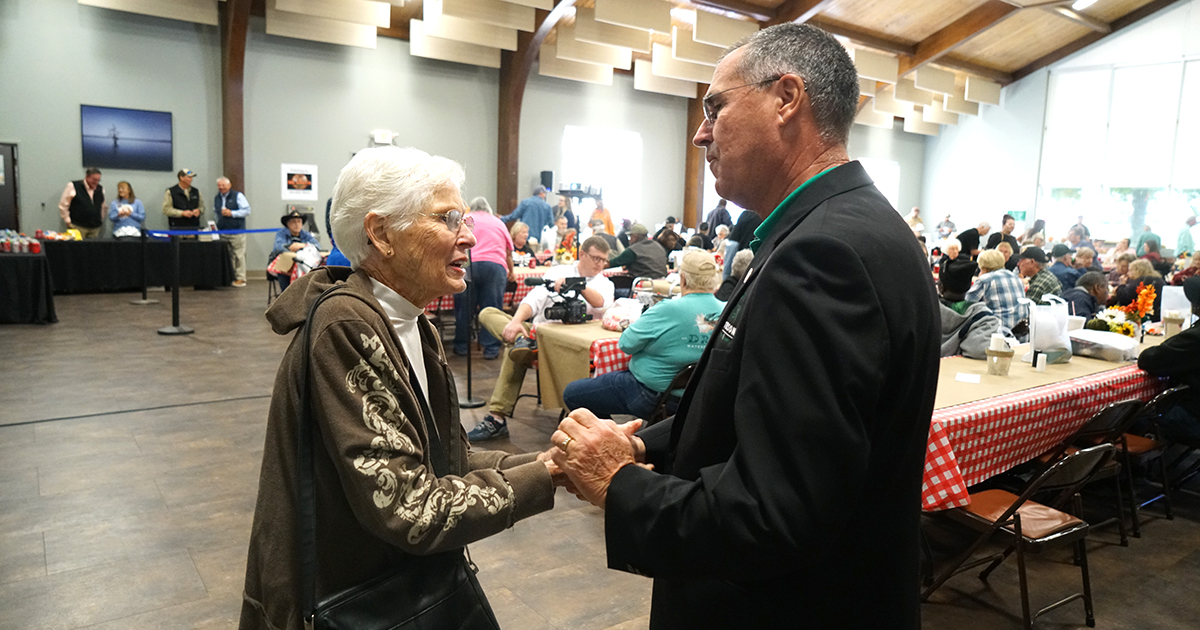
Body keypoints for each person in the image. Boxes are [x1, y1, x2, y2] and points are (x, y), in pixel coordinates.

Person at [548, 24, 940, 629]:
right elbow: (758, 413)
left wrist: (619, 483)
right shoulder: (856, 226)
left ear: (787, 99)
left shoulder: (822, 255)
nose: (701, 132)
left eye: (715, 107)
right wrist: (645, 443)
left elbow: (774, 516)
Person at [239, 146, 558, 630]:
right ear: (381, 234)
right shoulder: (346, 325)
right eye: (449, 219)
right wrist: (548, 476)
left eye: (465, 219)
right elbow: (412, 508)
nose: (470, 236)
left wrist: (549, 462)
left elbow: (443, 457)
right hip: (344, 598)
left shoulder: (411, 321)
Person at [466, 236, 614, 442]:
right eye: (596, 258)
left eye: (604, 260)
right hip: (539, 332)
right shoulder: (557, 272)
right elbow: (533, 300)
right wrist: (516, 321)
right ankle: (522, 339)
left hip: (569, 343)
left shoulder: (604, 283)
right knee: (488, 313)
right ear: (583, 255)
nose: (600, 264)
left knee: (514, 352)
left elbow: (601, 304)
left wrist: (576, 286)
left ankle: (496, 418)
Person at [563, 250, 725, 419]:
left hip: (652, 395)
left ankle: (614, 438)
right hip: (703, 399)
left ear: (682, 278)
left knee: (572, 394)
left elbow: (626, 344)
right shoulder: (728, 310)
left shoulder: (667, 309)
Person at [1136, 277, 1200, 440]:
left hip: (1193, 417)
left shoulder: (1194, 338)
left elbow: (1149, 360)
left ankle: (1134, 464)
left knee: (1129, 417)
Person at [454, 196, 513, 360]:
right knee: (491, 309)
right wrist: (512, 271)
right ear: (488, 209)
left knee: (463, 308)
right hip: (494, 266)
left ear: (471, 208)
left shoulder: (465, 220)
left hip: (468, 264)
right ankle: (491, 349)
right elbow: (508, 251)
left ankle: (461, 346)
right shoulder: (498, 222)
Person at [938, 258, 1006, 359]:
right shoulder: (981, 316)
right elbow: (979, 350)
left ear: (941, 287)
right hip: (960, 371)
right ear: (969, 286)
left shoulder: (925, 309)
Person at [966, 249, 1027, 332]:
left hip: (998, 334)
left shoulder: (985, 280)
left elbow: (967, 305)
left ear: (984, 268)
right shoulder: (1016, 278)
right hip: (1020, 332)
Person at [268, 210, 319, 291]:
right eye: (294, 222)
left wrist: (302, 245)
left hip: (303, 265)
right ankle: (286, 294)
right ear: (288, 224)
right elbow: (278, 247)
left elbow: (317, 246)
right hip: (285, 267)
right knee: (283, 271)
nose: (297, 224)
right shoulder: (281, 233)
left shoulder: (305, 234)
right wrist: (293, 248)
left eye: (299, 222)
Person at [214, 176, 252, 288]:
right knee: (228, 256)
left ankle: (241, 278)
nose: (221, 187)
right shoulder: (217, 198)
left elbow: (247, 210)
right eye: (219, 185)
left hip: (237, 231)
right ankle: (230, 277)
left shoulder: (238, 196)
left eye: (223, 185)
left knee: (239, 255)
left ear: (229, 185)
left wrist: (232, 213)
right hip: (223, 231)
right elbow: (215, 212)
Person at [58, 167, 105, 238]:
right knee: (77, 248)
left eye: (98, 180)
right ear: (87, 177)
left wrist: (100, 219)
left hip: (95, 228)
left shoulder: (100, 189)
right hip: (77, 226)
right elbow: (63, 205)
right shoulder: (73, 186)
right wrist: (68, 221)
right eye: (94, 180)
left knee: (93, 249)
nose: (96, 182)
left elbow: (103, 206)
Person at [722, 208, 763, 279]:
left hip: (740, 264)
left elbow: (732, 245)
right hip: (759, 265)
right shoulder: (771, 216)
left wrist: (726, 277)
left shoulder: (747, 215)